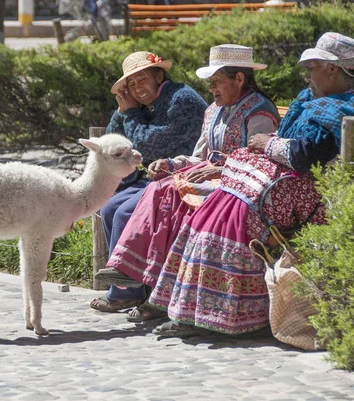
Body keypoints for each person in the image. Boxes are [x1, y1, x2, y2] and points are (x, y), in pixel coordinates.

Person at [148, 32, 354, 336]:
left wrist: (266, 143)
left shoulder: (348, 107)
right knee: (211, 211)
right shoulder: (313, 100)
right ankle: (193, 311)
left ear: (332, 69)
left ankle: (224, 316)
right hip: (279, 183)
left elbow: (305, 155)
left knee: (233, 216)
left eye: (312, 67)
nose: (306, 75)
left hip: (305, 193)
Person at [93, 45, 281, 321]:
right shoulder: (214, 111)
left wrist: (215, 170)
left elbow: (258, 163)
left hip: (239, 186)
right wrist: (172, 164)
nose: (212, 89)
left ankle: (148, 288)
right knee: (159, 190)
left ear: (239, 79)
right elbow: (198, 156)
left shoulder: (259, 113)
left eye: (217, 82)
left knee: (167, 198)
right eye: (211, 83)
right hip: (208, 177)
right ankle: (133, 278)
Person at [89, 51, 208, 312]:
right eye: (130, 85)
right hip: (154, 177)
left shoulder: (180, 99)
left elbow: (146, 144)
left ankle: (126, 292)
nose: (136, 88)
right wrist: (122, 111)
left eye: (141, 79)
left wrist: (131, 113)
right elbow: (115, 141)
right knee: (109, 208)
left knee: (125, 213)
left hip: (184, 175)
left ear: (159, 75)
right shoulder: (142, 105)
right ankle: (128, 287)